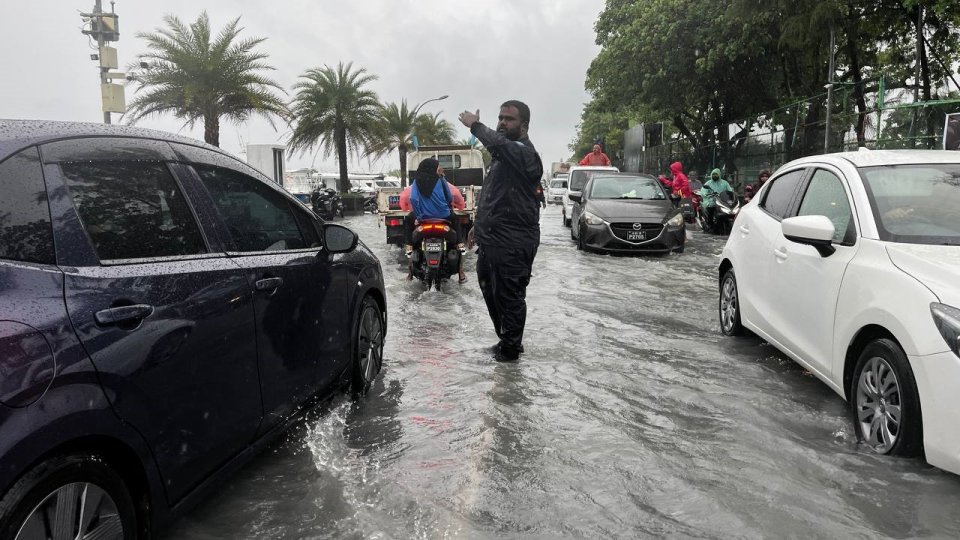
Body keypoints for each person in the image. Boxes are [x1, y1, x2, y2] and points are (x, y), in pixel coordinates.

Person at [459, 100, 543, 362]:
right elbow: (496, 196)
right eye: (501, 118)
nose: (503, 123)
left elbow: (498, 143)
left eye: (510, 119)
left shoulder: (524, 155)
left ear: (524, 126)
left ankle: (510, 355)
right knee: (489, 288)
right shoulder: (502, 158)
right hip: (493, 239)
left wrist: (475, 125)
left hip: (515, 243)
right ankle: (507, 340)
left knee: (510, 296)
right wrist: (477, 225)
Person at [401, 158, 468, 282]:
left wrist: (419, 215)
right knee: (455, 219)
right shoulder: (441, 180)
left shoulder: (417, 181)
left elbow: (414, 199)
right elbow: (449, 197)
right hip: (443, 216)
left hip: (424, 218)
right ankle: (460, 267)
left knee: (408, 220)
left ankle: (409, 248)